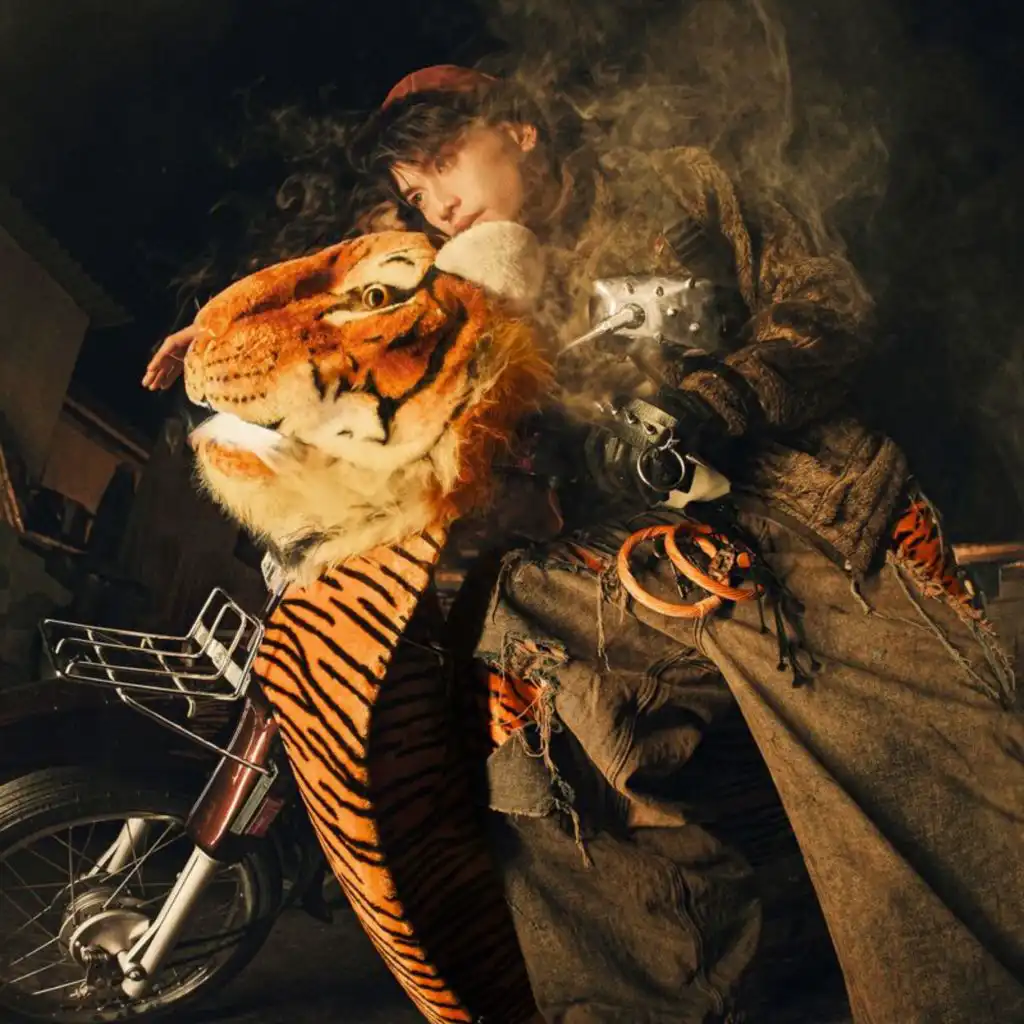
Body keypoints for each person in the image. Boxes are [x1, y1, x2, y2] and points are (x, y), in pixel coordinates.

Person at [145, 65, 1024, 1024]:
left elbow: (826, 307)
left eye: (443, 161)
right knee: (527, 734)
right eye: (414, 194)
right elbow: (361, 349)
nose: (436, 203)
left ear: (519, 129)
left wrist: (707, 403)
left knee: (923, 803)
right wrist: (238, 360)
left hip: (801, 516)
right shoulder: (475, 283)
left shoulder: (679, 183)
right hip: (629, 555)